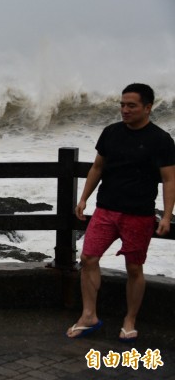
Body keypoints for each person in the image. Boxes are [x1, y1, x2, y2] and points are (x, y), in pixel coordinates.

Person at [66, 83, 175, 342]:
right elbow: (97, 168)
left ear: (147, 108)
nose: (124, 110)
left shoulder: (160, 140)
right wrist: (83, 198)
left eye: (131, 105)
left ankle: (130, 319)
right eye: (122, 105)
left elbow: (170, 180)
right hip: (105, 210)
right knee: (89, 258)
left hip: (138, 214)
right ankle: (89, 315)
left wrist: (168, 215)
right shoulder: (111, 132)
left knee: (134, 268)